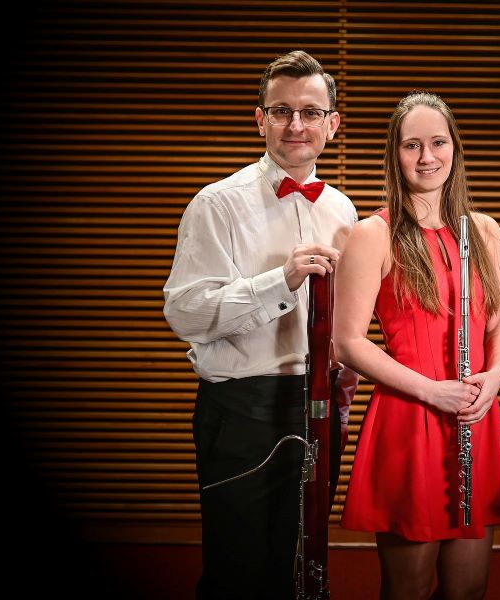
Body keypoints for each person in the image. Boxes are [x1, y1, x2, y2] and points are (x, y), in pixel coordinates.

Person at [162, 50, 358, 600]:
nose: (296, 125)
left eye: (311, 112)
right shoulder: (216, 204)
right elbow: (185, 313)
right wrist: (281, 280)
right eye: (282, 111)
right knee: (239, 569)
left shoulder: (345, 211)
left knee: (303, 559)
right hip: (241, 408)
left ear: (332, 124)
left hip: (318, 402)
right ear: (260, 119)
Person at [334, 92, 500, 600]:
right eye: (412, 145)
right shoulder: (373, 234)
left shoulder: (484, 230)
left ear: (455, 147)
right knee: (408, 588)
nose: (427, 157)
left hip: (474, 416)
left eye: (438, 142)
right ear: (395, 153)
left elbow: (497, 327)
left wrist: (495, 377)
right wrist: (433, 392)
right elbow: (347, 342)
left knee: (469, 589)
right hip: (410, 414)